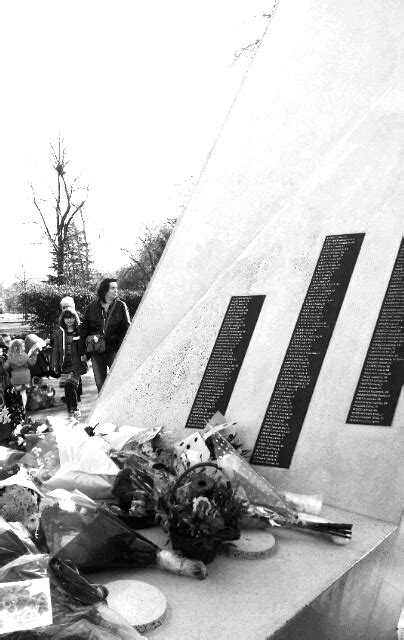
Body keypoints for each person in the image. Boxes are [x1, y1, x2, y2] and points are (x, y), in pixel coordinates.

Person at [80, 278, 130, 392]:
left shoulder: (121, 306)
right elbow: (84, 328)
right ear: (105, 290)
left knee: (117, 382)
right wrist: (83, 351)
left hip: (114, 350)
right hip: (96, 350)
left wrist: (124, 349)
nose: (116, 291)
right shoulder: (92, 306)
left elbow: (126, 328)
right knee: (100, 383)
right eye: (113, 288)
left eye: (116, 288)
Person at [52, 307, 83, 420]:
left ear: (75, 318)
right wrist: (54, 364)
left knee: (71, 384)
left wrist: (85, 356)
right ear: (63, 320)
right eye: (67, 318)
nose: (69, 320)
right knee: (67, 387)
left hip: (77, 363)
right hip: (65, 363)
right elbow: (56, 349)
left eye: (71, 318)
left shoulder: (79, 330)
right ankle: (70, 412)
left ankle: (75, 410)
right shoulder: (60, 332)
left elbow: (84, 346)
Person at [4, 338, 39, 408]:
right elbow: (32, 364)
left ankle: (17, 406)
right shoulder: (25, 356)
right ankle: (24, 406)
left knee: (16, 392)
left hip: (15, 378)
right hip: (25, 378)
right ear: (21, 347)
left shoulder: (11, 357)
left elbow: (5, 367)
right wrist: (34, 356)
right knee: (23, 393)